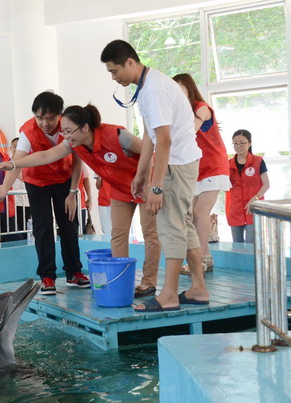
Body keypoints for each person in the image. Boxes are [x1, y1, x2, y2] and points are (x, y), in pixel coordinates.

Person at [0, 103, 160, 297]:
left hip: (145, 184)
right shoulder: (73, 143)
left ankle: (148, 282)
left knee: (150, 234)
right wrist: (13, 164)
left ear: (85, 127)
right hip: (121, 189)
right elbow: (46, 155)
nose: (66, 136)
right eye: (63, 131)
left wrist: (148, 183)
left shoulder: (117, 135)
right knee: (118, 235)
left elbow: (148, 151)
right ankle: (120, 281)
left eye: (69, 131)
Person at [101, 39, 209, 311]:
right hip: (180, 162)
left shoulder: (155, 90)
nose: (114, 78)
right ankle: (198, 288)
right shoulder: (148, 86)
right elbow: (150, 135)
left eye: (115, 71)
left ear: (130, 62)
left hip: (177, 164)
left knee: (171, 228)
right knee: (183, 225)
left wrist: (156, 187)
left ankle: (169, 295)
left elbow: (164, 141)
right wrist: (141, 174)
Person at [0, 91, 88, 295]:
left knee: (69, 224)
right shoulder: (28, 131)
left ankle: (74, 272)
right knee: (43, 227)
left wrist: (72, 192)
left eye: (49, 118)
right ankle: (47, 276)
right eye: (39, 117)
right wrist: (3, 190)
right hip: (37, 181)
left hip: (64, 180)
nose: (44, 123)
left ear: (59, 115)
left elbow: (78, 161)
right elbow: (16, 163)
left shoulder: (69, 127)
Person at [173, 73, 231, 274]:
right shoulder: (181, 112)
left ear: (189, 89)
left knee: (199, 213)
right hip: (197, 168)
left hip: (214, 166)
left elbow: (188, 131)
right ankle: (205, 258)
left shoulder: (201, 108)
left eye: (179, 89)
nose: (176, 94)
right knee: (190, 215)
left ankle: (200, 260)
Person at [226, 129, 270, 244]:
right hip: (234, 209)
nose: (238, 146)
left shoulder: (258, 161)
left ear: (249, 143)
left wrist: (255, 198)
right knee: (237, 246)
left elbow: (266, 184)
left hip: (253, 208)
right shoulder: (228, 164)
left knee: (252, 245)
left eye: (242, 143)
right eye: (235, 143)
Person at [9, 138, 31, 232]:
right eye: (15, 146)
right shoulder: (7, 163)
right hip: (14, 204)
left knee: (29, 231)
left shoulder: (30, 163)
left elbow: (25, 178)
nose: (18, 149)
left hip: (29, 202)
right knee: (17, 232)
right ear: (11, 148)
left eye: (20, 146)